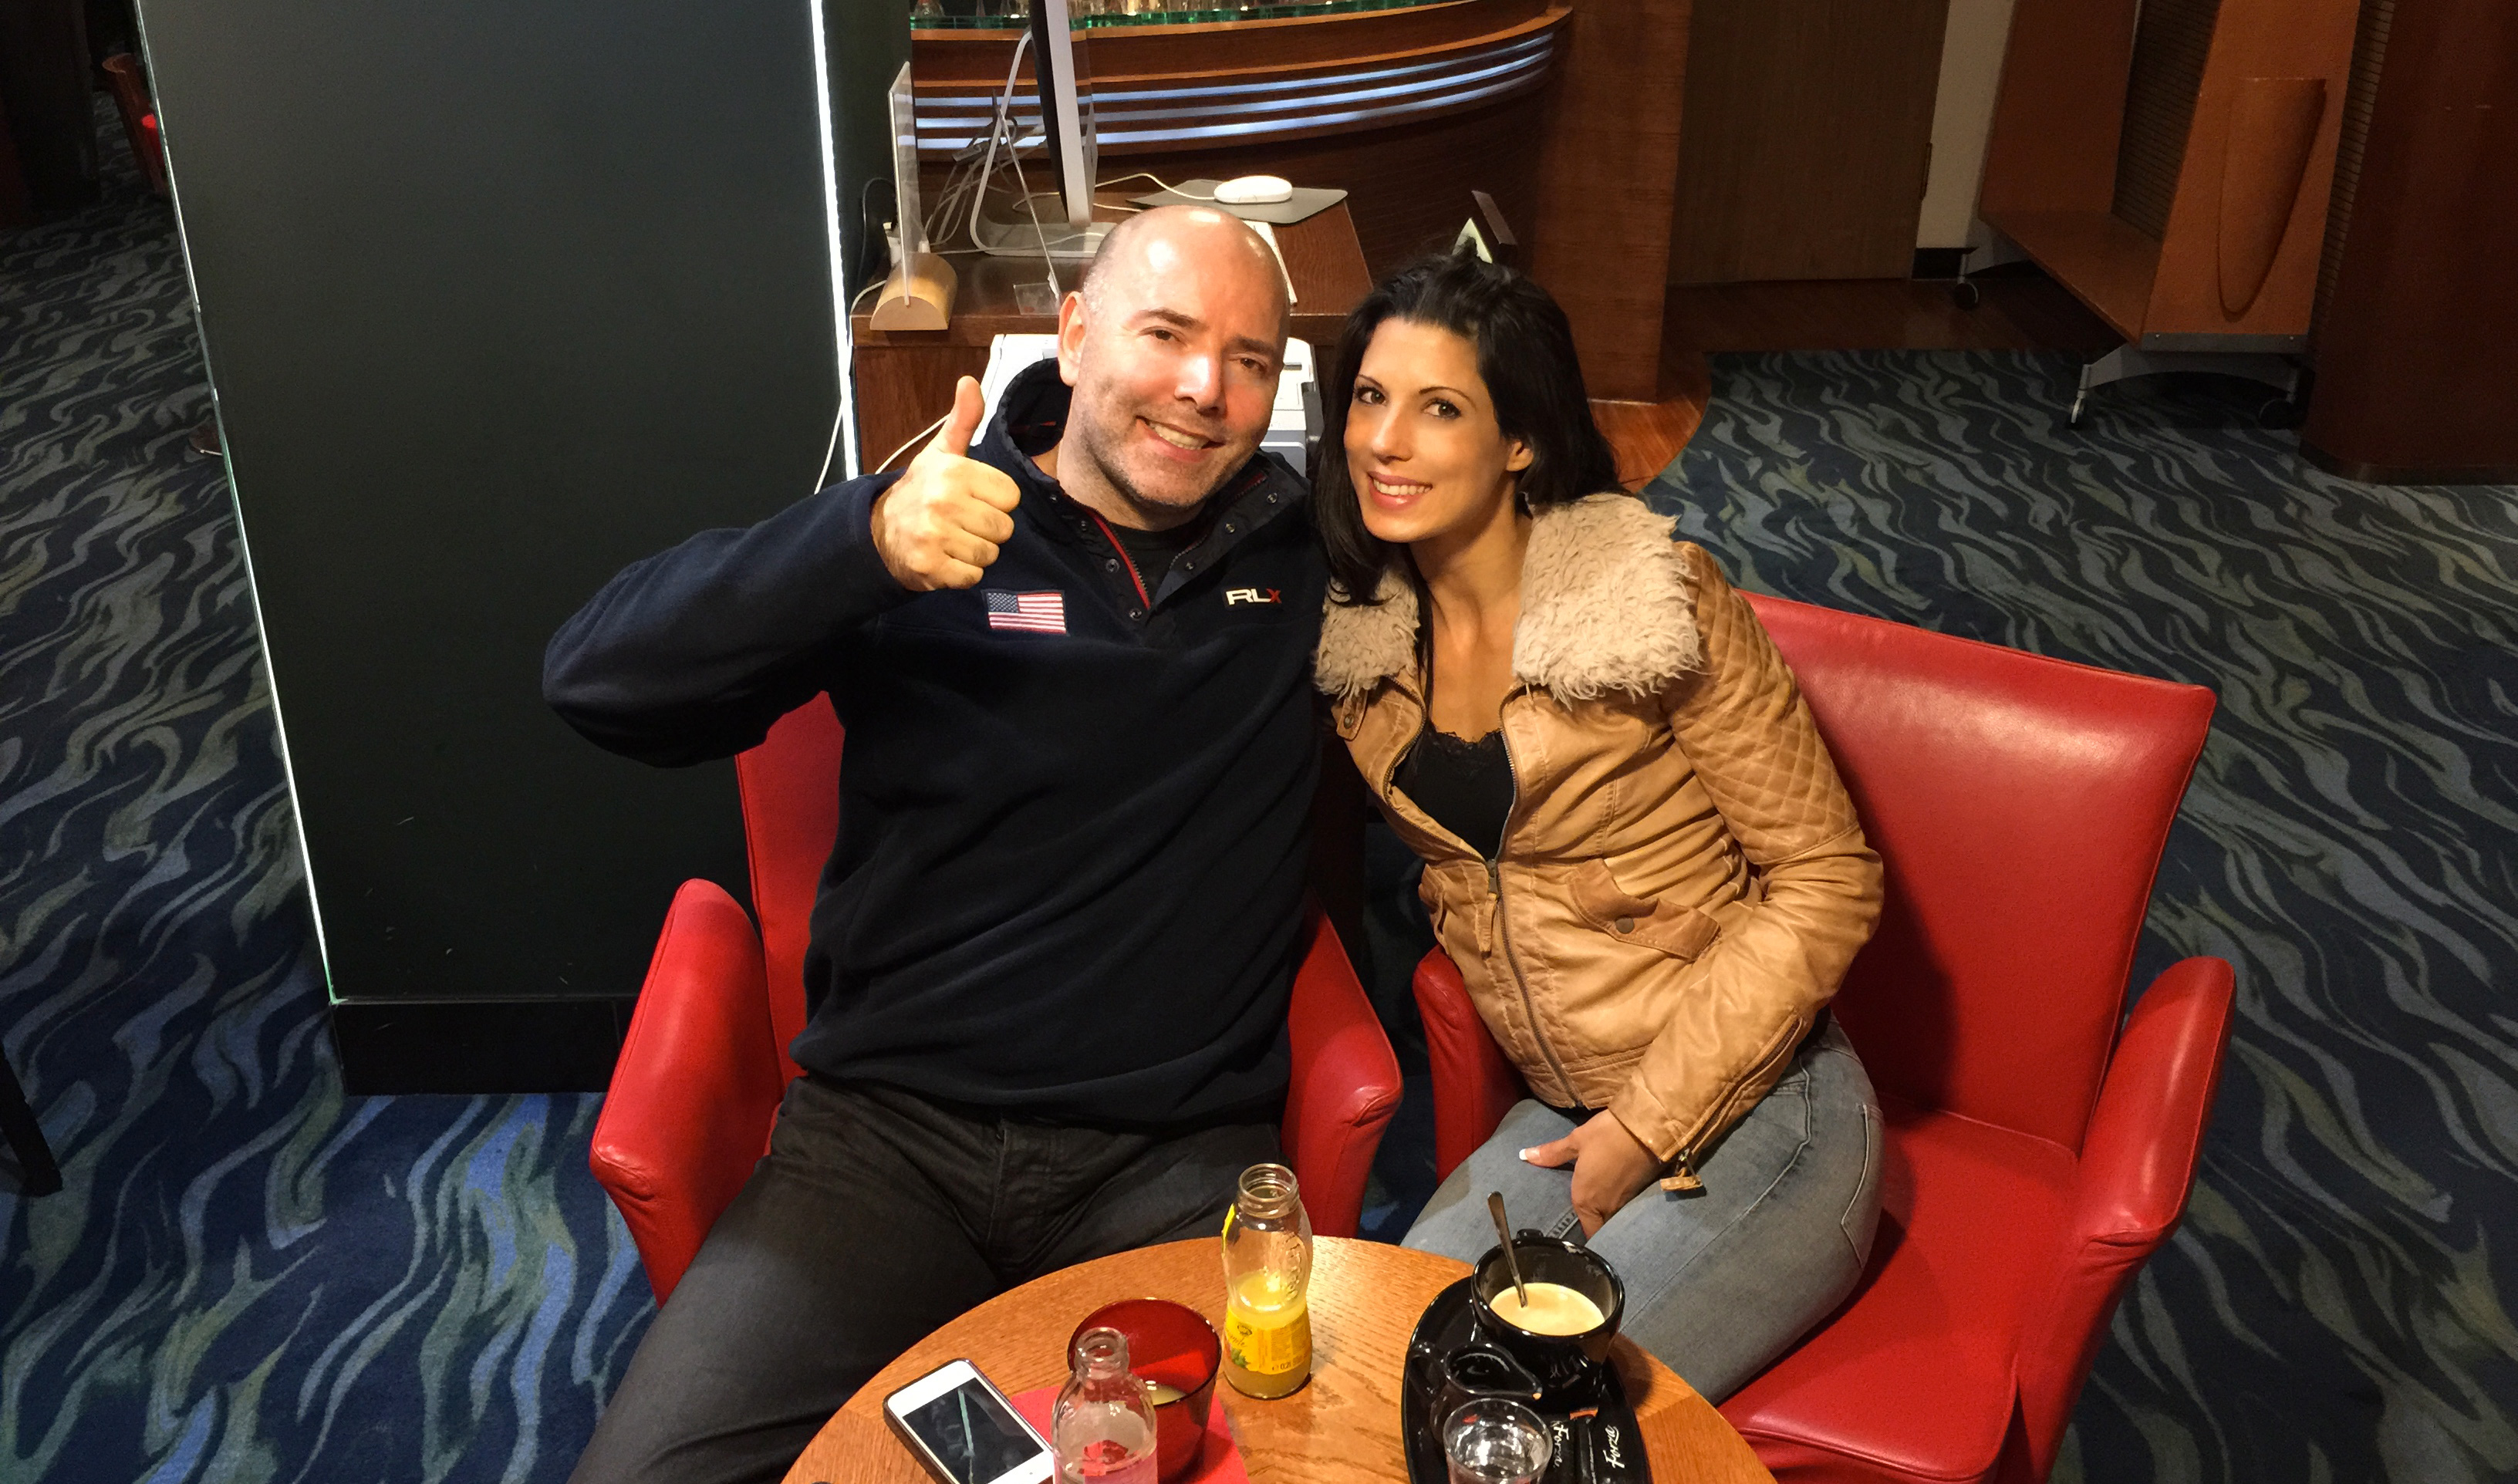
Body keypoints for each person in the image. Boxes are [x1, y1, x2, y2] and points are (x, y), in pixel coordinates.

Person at [544, 205, 1321, 1484]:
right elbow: (594, 681)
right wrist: (858, 546)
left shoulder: (1307, 560)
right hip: (888, 1142)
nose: (1204, 388)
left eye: (1248, 359)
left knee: (1269, 1465)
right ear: (1073, 333)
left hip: (1170, 1155)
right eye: (1167, 335)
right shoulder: (934, 525)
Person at [1310, 251, 1885, 1401]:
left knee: (1526, 1406)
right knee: (1381, 1362)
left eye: (1440, 408)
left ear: (1521, 440)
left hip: (1769, 1104)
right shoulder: (1364, 643)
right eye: (1370, 397)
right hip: (1568, 1110)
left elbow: (1830, 877)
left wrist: (1650, 1123)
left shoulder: (1655, 602)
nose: (1385, 441)